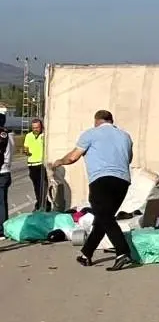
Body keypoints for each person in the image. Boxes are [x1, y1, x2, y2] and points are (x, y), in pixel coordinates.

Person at [50, 110, 136, 270]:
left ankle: (123, 252)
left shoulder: (90, 134)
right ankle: (86, 254)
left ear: (97, 121)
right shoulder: (125, 136)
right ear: (111, 121)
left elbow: (73, 157)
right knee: (104, 218)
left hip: (101, 180)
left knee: (105, 217)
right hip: (123, 181)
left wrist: (59, 162)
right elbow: (128, 158)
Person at [24, 118, 48, 212]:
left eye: (37, 127)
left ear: (41, 127)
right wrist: (26, 151)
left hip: (41, 164)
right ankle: (40, 203)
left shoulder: (44, 136)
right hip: (32, 164)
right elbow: (26, 147)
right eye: (33, 128)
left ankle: (43, 204)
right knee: (36, 186)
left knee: (43, 186)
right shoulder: (29, 136)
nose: (35, 129)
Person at [0, 110, 11, 236]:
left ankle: (2, 229)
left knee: (1, 202)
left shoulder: (3, 135)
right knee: (3, 201)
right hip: (6, 171)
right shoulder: (9, 135)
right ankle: (5, 225)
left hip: (2, 170)